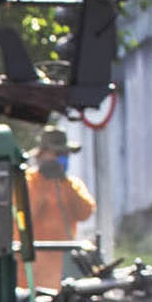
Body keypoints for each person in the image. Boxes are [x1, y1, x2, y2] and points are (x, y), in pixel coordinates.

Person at [22, 124, 95, 290]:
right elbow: (26, 215)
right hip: (31, 273)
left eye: (65, 154)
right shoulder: (28, 182)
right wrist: (45, 184)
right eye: (57, 154)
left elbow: (85, 212)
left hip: (62, 271)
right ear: (43, 155)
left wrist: (64, 184)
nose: (62, 158)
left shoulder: (72, 184)